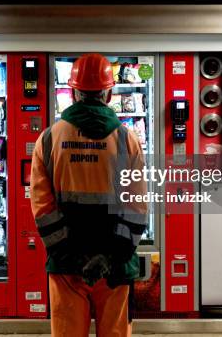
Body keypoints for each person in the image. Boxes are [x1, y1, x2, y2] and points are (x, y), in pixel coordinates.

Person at [30, 53, 147, 337]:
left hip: (67, 268)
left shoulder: (48, 139)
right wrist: (109, 257)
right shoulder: (126, 139)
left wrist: (73, 257)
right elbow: (137, 209)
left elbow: (43, 210)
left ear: (72, 92)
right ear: (108, 94)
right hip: (115, 269)